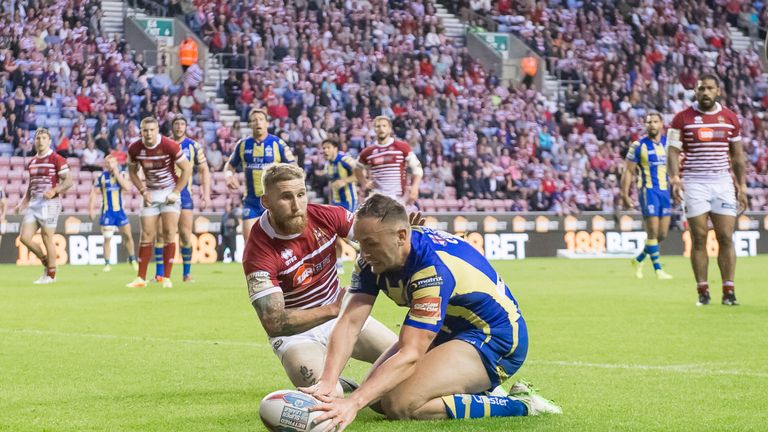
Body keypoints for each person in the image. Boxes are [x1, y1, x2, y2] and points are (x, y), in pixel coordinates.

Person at [302, 194, 560, 429]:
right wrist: (327, 380)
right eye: (360, 243)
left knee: (399, 404)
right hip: (448, 328)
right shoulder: (371, 260)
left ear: (401, 236)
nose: (364, 253)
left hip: (495, 338)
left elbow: (411, 353)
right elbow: (349, 323)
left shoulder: (430, 270)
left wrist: (352, 403)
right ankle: (474, 389)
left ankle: (521, 404)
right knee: (378, 399)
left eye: (371, 244)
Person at [242, 164, 396, 394]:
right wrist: (333, 309)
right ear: (266, 202)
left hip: (343, 316)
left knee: (405, 363)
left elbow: (373, 236)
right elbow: (275, 322)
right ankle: (337, 382)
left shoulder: (325, 215)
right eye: (286, 197)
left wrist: (402, 235)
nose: (297, 206)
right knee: (329, 395)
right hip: (297, 336)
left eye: (301, 194)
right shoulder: (258, 250)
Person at [667, 74, 747, 306]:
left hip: (722, 182)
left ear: (718, 91)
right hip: (694, 182)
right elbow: (672, 151)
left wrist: (741, 186)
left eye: (709, 88)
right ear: (695, 91)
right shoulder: (682, 118)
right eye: (701, 89)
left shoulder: (730, 118)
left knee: (725, 237)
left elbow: (738, 156)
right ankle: (703, 290)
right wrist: (674, 177)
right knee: (699, 238)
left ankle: (728, 291)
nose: (705, 93)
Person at [126, 117, 192, 288]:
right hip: (151, 194)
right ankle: (140, 278)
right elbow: (132, 171)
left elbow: (187, 168)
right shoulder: (135, 148)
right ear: (140, 131)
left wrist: (176, 192)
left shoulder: (169, 145)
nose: (148, 133)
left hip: (169, 193)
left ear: (157, 130)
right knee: (146, 234)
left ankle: (167, 278)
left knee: (169, 232)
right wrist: (142, 191)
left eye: (151, 130)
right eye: (144, 130)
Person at [225, 109, 295, 242]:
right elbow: (230, 165)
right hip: (251, 201)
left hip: (274, 201)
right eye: (254, 120)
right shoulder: (243, 145)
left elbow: (293, 167)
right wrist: (229, 176)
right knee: (250, 243)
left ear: (267, 123)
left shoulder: (277, 144)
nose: (258, 122)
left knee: (278, 242)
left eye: (261, 119)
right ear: (250, 124)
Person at [14, 128, 73, 284]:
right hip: (34, 204)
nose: (40, 141)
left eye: (43, 138)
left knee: (47, 238)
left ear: (49, 140)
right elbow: (31, 185)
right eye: (38, 138)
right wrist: (23, 202)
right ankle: (47, 262)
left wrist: (55, 190)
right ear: (35, 141)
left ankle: (51, 275)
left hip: (50, 203)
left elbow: (68, 181)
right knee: (25, 238)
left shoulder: (56, 158)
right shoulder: (32, 161)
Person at [621, 112, 674, 280]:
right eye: (649, 122)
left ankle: (638, 259)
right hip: (648, 191)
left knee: (662, 234)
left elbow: (675, 167)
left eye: (655, 121)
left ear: (661, 124)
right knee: (652, 232)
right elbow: (628, 171)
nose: (652, 125)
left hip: (665, 192)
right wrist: (624, 194)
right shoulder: (638, 146)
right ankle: (658, 270)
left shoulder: (668, 144)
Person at [169, 114, 211, 282]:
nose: (179, 127)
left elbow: (204, 169)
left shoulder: (193, 146)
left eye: (182, 124)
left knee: (186, 235)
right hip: (166, 194)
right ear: (172, 127)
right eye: (176, 124)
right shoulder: (165, 144)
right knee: (166, 234)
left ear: (186, 127)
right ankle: (162, 274)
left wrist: (205, 193)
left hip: (185, 195)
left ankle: (186, 273)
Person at [354, 116, 423, 208]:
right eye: (378, 126)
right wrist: (364, 182)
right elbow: (356, 167)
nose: (381, 128)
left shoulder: (402, 147)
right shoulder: (367, 152)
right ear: (374, 129)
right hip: (377, 199)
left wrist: (415, 187)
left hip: (399, 198)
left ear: (390, 129)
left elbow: (417, 167)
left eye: (384, 126)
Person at [89, 155, 139, 272]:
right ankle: (107, 263)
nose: (110, 165)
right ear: (105, 165)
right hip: (107, 212)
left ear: (116, 163)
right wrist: (91, 209)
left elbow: (127, 187)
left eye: (112, 162)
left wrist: (116, 174)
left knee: (128, 236)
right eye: (108, 163)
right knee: (107, 238)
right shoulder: (101, 177)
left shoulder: (122, 175)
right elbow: (94, 193)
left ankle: (132, 259)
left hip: (120, 212)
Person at [322, 138, 359, 275]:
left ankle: (355, 250)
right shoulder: (329, 165)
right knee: (332, 233)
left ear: (335, 148)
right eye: (323, 148)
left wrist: (345, 181)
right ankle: (339, 264)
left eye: (328, 147)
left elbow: (360, 173)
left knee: (339, 232)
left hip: (349, 201)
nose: (325, 150)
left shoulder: (345, 160)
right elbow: (332, 185)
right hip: (335, 203)